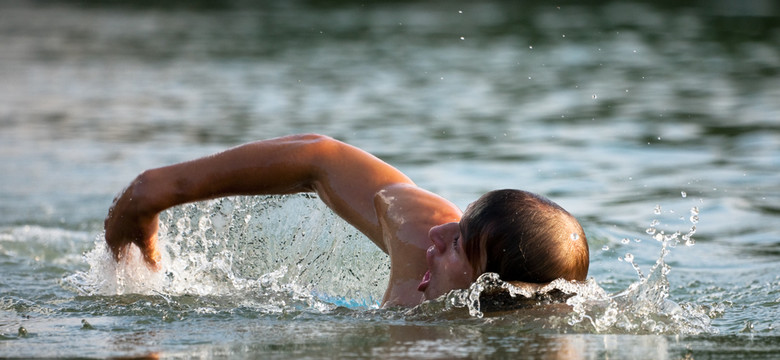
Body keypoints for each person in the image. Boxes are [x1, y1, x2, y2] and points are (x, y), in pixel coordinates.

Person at [104, 134, 589, 307]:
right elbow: (321, 158)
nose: (437, 236)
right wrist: (161, 189)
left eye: (459, 245)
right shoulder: (419, 232)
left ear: (492, 291)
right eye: (456, 224)